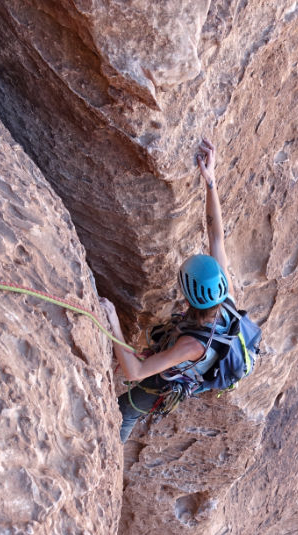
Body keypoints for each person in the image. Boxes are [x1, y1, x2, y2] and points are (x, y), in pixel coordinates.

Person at [99, 137, 236, 443]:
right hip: (188, 349)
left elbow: (136, 373)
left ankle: (108, 461)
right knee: (145, 357)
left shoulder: (191, 346)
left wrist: (113, 323)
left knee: (127, 409)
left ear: (187, 297)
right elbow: (217, 238)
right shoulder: (223, 296)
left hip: (172, 381)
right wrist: (210, 182)